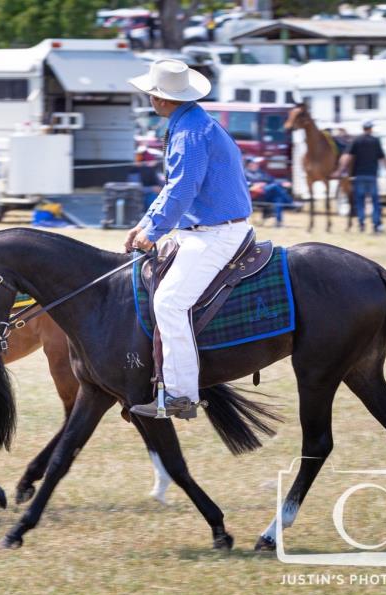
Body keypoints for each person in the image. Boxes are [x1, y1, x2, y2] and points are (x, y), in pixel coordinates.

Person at [122, 59, 254, 420]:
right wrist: (144, 224)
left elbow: (182, 191)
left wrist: (152, 232)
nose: (149, 98)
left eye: (152, 93)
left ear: (162, 99)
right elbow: (173, 189)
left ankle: (181, 395)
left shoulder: (189, 132)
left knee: (168, 303)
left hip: (216, 233)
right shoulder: (192, 122)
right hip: (205, 228)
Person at [335, 120, 386, 233]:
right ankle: (376, 225)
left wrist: (341, 170)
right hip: (372, 175)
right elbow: (382, 157)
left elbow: (347, 157)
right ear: (371, 129)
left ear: (363, 128)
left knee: (360, 201)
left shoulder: (356, 140)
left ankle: (361, 224)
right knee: (374, 201)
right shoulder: (375, 140)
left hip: (358, 175)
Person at [244, 156, 294, 227]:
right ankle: (290, 203)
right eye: (255, 163)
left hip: (266, 193)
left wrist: (282, 183)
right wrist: (257, 185)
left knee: (278, 198)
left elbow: (271, 180)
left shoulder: (260, 172)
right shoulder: (244, 173)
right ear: (249, 164)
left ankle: (278, 222)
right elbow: (246, 186)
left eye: (257, 163)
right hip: (256, 195)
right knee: (275, 187)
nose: (257, 164)